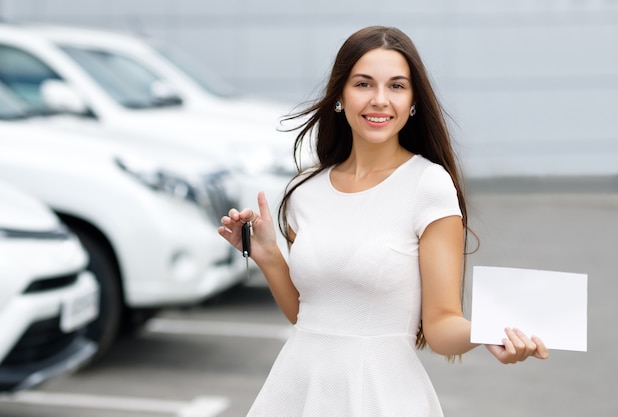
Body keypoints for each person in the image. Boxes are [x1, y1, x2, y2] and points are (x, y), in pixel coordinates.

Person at [218, 25, 549, 417]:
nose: (379, 100)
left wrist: (488, 333)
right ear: (340, 95)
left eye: (396, 86)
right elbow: (310, 315)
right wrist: (269, 257)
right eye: (363, 84)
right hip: (298, 392)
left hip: (383, 396)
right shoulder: (304, 190)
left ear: (412, 101)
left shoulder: (428, 185)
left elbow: (441, 325)